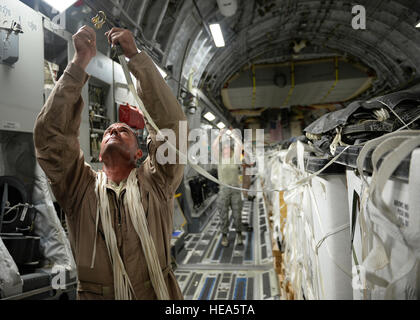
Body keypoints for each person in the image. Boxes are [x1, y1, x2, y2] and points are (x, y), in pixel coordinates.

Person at [33, 25, 186, 300]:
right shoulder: (78, 187)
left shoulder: (158, 180)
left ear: (140, 153)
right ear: (100, 154)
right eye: (108, 132)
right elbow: (50, 137)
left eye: (124, 131)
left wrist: (136, 58)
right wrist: (79, 63)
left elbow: (173, 129)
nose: (114, 130)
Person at [212, 128, 243, 247]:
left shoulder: (234, 159)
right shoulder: (219, 160)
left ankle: (239, 234)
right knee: (223, 214)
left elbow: (239, 145)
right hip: (223, 191)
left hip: (235, 190)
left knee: (237, 214)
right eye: (224, 149)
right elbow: (214, 146)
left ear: (231, 151)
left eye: (228, 149)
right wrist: (220, 135)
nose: (226, 151)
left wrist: (234, 136)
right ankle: (224, 235)